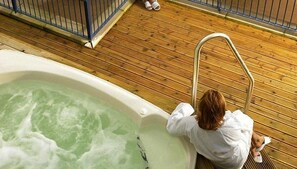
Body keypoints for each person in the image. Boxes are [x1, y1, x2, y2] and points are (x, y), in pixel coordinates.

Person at [166, 89, 271, 169]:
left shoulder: (190, 124)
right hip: (236, 161)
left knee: (240, 122)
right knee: (243, 121)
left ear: (200, 109)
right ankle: (257, 142)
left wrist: (186, 107)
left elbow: (171, 127)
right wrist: (231, 116)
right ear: (222, 111)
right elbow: (249, 123)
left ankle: (256, 143)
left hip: (217, 162)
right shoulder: (231, 124)